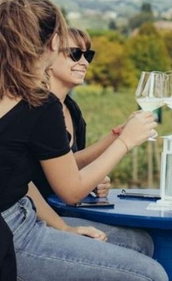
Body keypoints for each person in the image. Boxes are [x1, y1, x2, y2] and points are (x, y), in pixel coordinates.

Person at [0, 0, 168, 281]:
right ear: (53, 42)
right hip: (7, 237)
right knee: (152, 275)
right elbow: (72, 192)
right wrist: (125, 142)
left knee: (140, 243)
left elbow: (16, 181)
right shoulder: (40, 103)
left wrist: (63, 229)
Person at [30, 27, 154, 255]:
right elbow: (57, 179)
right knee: (138, 243)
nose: (84, 62)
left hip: (62, 209)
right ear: (49, 54)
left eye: (88, 55)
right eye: (75, 54)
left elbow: (69, 164)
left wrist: (95, 175)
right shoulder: (38, 108)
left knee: (142, 238)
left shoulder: (72, 110)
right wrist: (122, 141)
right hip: (39, 216)